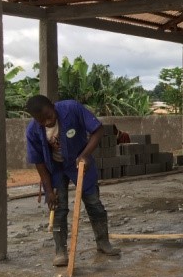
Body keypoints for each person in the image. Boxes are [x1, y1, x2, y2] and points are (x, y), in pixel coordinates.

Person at [25, 95, 121, 266]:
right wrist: (48, 191)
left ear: (53, 106)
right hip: (55, 169)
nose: (47, 122)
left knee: (94, 203)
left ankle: (103, 243)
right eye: (41, 121)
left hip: (80, 163)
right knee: (58, 211)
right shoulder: (32, 131)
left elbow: (97, 130)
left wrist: (84, 155)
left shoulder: (72, 109)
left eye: (49, 116)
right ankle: (60, 251)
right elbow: (39, 163)